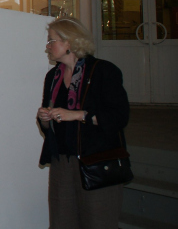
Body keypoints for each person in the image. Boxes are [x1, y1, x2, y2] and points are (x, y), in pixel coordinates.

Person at [36, 17, 129, 229]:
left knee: (99, 222)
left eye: (51, 41)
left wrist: (78, 115)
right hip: (62, 162)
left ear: (69, 42)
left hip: (97, 162)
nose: (47, 46)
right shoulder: (53, 77)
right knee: (61, 223)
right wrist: (44, 118)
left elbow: (119, 117)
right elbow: (49, 126)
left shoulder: (103, 71)